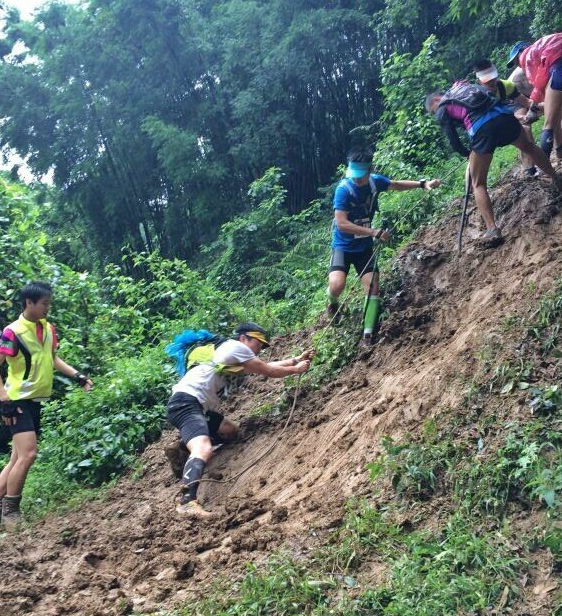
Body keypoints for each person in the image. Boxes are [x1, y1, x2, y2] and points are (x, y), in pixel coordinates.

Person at [166, 322, 312, 518]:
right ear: (244, 338)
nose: (259, 348)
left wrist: (296, 360)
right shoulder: (235, 347)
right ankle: (186, 501)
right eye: (258, 343)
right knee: (204, 448)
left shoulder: (230, 353)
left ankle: (182, 449)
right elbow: (268, 371)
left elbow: (266, 366)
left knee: (230, 431)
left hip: (196, 406)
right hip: (186, 404)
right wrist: (296, 369)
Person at [0, 281, 93, 529]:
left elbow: (53, 359)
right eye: (44, 303)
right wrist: (4, 399)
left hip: (35, 400)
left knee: (17, 457)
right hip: (16, 401)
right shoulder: (13, 332)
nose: (47, 307)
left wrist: (78, 376)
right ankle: (11, 512)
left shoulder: (48, 328)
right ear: (29, 303)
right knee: (29, 454)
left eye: (48, 303)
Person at [327, 148, 440, 344]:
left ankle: (367, 335)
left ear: (370, 170)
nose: (357, 179)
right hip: (343, 247)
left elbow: (395, 184)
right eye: (354, 175)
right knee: (337, 285)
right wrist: (373, 232)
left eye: (360, 175)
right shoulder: (343, 190)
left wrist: (423, 184)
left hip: (364, 248)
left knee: (372, 287)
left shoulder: (374, 182)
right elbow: (341, 223)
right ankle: (332, 303)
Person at [425, 81, 561, 244]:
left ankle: (492, 229)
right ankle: (557, 179)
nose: (435, 113)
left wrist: (467, 154)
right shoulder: (465, 87)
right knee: (528, 147)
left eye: (433, 111)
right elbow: (490, 94)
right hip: (503, 115)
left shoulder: (443, 106)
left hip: (482, 128)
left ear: (436, 100)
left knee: (478, 183)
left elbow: (453, 140)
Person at [474, 57, 537, 176]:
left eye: (493, 77)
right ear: (479, 81)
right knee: (476, 160)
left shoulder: (505, 86)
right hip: (485, 128)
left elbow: (526, 102)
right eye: (487, 79)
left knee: (525, 130)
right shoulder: (475, 97)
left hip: (505, 115)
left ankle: (529, 168)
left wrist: (544, 106)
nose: (491, 81)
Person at [506, 35, 562, 160]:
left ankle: (545, 163)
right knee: (555, 115)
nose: (518, 64)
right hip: (516, 98)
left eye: (516, 60)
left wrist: (533, 108)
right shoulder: (543, 46)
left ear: (521, 52)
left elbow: (540, 82)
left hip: (558, 69)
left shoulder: (528, 56)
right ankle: (559, 152)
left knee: (549, 124)